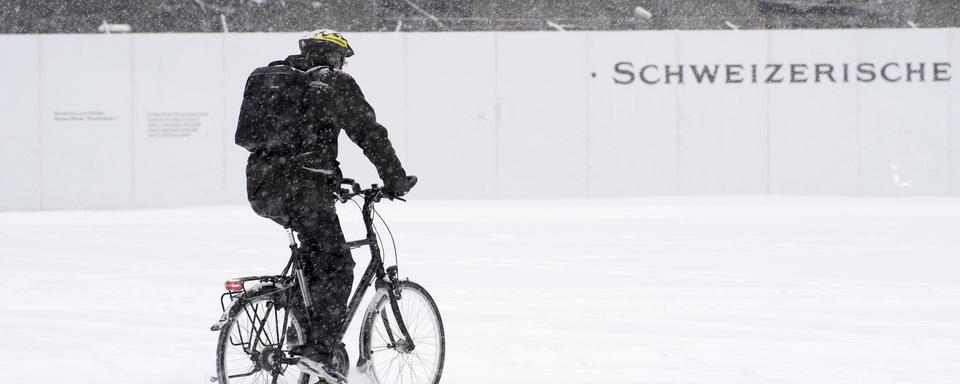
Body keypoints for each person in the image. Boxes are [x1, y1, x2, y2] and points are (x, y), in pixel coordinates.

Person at [236, 29, 412, 382]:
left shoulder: (279, 81)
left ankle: (299, 330)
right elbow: (369, 133)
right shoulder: (333, 83)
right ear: (334, 56)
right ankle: (318, 352)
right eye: (342, 58)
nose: (343, 64)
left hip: (262, 184)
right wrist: (395, 177)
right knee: (338, 265)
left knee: (315, 257)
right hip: (304, 186)